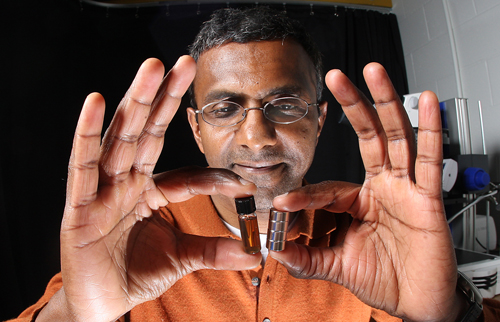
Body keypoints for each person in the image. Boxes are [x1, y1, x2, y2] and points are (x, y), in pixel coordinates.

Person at [11, 6, 500, 322]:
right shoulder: (134, 237)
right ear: (195, 129)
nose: (256, 136)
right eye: (224, 109)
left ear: (320, 119)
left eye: (284, 105)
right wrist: (74, 313)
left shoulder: (372, 237)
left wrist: (448, 313)